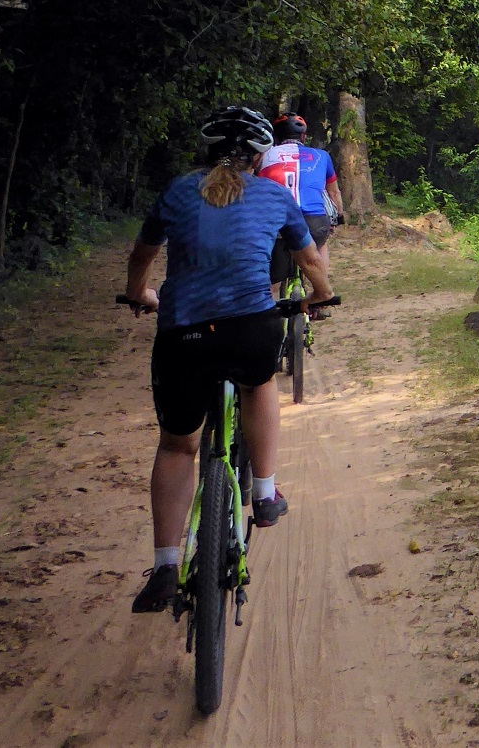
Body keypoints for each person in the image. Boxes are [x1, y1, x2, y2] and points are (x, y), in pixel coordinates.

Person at [121, 105, 333, 614]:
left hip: (183, 334)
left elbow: (141, 258)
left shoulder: (175, 192)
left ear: (207, 152)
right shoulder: (273, 195)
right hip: (248, 330)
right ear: (260, 156)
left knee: (177, 447)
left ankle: (166, 566)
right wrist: (320, 296)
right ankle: (263, 493)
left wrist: (138, 295)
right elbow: (308, 261)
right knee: (260, 383)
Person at [257, 112, 342, 272]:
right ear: (303, 137)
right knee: (321, 243)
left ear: (275, 137)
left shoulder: (263, 156)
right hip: (314, 220)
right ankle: (323, 289)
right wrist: (339, 217)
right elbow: (334, 193)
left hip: (277, 220)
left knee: (274, 269)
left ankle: (272, 292)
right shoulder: (322, 156)